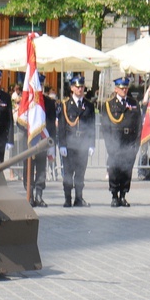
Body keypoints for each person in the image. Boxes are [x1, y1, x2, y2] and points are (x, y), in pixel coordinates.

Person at [19, 74, 57, 207]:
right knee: (27, 168)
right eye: (36, 85)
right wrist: (29, 129)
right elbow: (20, 122)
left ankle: (39, 195)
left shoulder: (49, 102)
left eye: (40, 85)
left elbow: (51, 124)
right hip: (29, 140)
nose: (38, 87)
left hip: (43, 141)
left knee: (41, 168)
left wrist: (52, 142)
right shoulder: (26, 101)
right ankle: (29, 194)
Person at [103, 77, 141, 207]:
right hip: (115, 141)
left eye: (125, 88)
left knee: (127, 169)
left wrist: (136, 143)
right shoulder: (109, 104)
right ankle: (114, 195)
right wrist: (109, 145)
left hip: (129, 141)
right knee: (114, 169)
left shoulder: (134, 103)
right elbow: (105, 127)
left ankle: (123, 195)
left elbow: (138, 125)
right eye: (121, 88)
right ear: (116, 89)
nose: (124, 90)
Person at [57, 75, 94, 207]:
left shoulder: (88, 105)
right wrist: (62, 144)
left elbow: (92, 126)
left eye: (82, 87)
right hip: (70, 144)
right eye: (77, 87)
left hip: (83, 144)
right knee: (68, 173)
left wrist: (92, 144)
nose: (80, 89)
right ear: (72, 88)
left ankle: (79, 198)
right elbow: (61, 126)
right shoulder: (65, 105)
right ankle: (67, 198)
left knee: (80, 173)